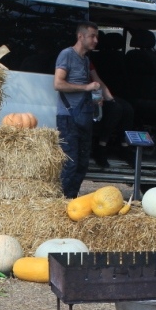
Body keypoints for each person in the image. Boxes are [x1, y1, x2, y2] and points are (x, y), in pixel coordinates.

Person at [53, 21, 111, 198]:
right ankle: (60, 202)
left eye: (97, 36)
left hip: (83, 117)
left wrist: (96, 98)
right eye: (92, 36)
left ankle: (71, 201)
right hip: (68, 118)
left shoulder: (85, 59)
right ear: (81, 36)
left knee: (82, 164)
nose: (96, 40)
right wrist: (87, 88)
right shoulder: (67, 55)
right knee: (70, 163)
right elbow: (58, 84)